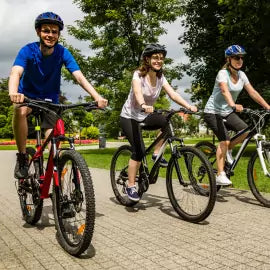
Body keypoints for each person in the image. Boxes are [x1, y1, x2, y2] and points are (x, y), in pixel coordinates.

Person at [8, 12, 108, 179]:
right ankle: (23, 157)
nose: (50, 35)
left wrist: (97, 96)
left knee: (54, 145)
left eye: (54, 32)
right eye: (46, 31)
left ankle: (54, 173)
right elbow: (15, 72)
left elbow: (79, 76)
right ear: (38, 32)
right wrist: (13, 92)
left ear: (58, 35)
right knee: (19, 111)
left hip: (50, 100)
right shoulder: (28, 50)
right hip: (28, 97)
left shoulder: (62, 53)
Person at [120, 43, 197, 201]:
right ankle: (130, 185)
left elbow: (173, 94)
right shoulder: (138, 75)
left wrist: (188, 106)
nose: (159, 61)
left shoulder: (161, 77)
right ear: (147, 59)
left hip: (145, 114)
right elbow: (137, 91)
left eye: (161, 58)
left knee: (164, 122)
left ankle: (156, 153)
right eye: (155, 57)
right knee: (139, 151)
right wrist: (142, 105)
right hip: (129, 116)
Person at [204, 45, 270, 185]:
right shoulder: (223, 73)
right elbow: (224, 90)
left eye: (241, 57)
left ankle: (228, 150)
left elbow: (252, 92)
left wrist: (267, 106)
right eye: (236, 57)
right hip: (212, 112)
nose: (240, 60)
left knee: (245, 131)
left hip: (227, 112)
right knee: (224, 141)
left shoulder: (241, 75)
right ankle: (220, 174)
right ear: (229, 59)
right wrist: (233, 105)